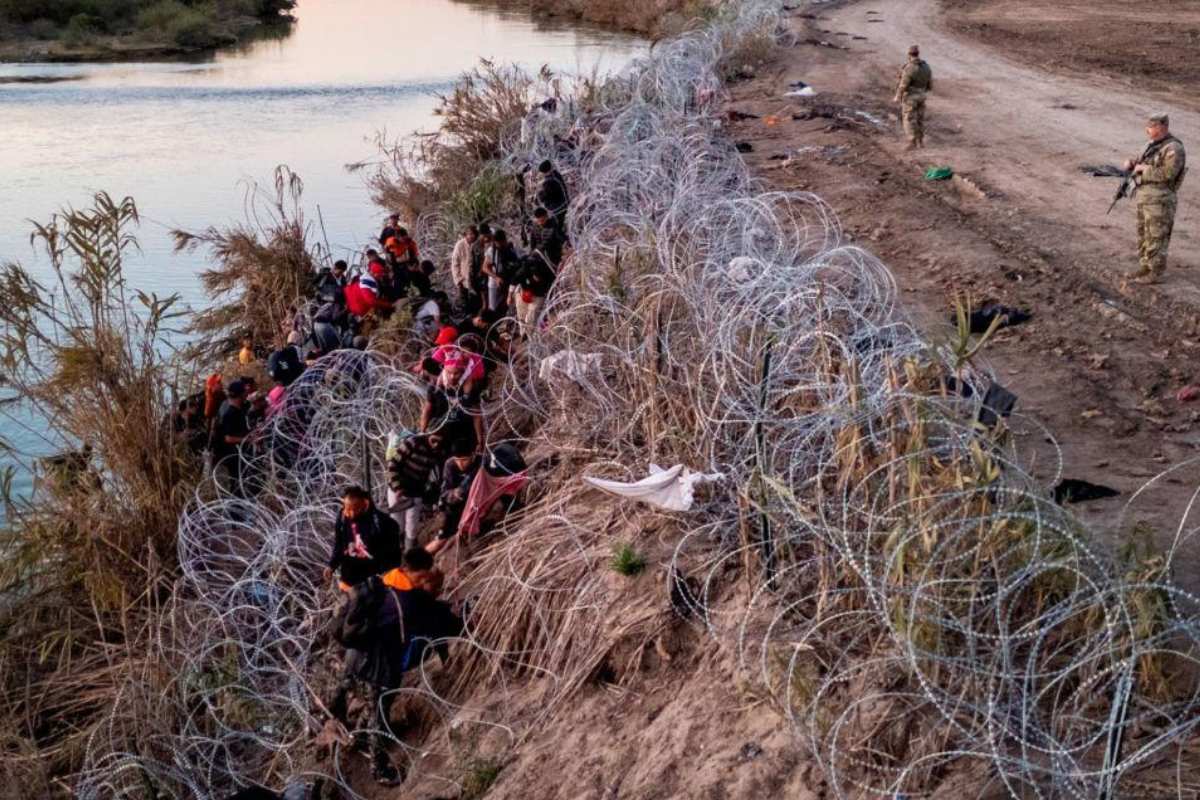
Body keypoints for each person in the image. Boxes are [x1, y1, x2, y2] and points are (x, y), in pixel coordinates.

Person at [1122, 113, 1187, 285]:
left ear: (1162, 127)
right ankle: (1145, 267)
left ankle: (1155, 272)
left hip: (1161, 200)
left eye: (1151, 127)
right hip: (1145, 197)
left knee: (1157, 236)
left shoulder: (1174, 148)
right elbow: (1142, 163)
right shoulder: (1151, 144)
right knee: (1144, 234)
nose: (1147, 130)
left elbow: (1169, 174)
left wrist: (1144, 169)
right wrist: (1132, 163)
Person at [324, 485, 404, 591]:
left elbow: (393, 554)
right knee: (350, 600)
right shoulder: (343, 517)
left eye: (353, 509)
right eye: (346, 508)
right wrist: (332, 565)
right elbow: (339, 544)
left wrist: (387, 573)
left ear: (363, 504)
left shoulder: (382, 523)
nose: (349, 513)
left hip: (374, 575)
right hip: (350, 575)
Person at [386, 432, 445, 550]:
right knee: (397, 524)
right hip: (398, 489)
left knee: (412, 527)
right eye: (434, 440)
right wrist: (397, 487)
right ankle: (396, 551)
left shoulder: (439, 451)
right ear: (428, 435)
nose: (436, 444)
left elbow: (439, 474)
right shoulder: (413, 443)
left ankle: (409, 552)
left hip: (416, 492)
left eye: (439, 442)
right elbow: (392, 465)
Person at [427, 439, 482, 555]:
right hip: (456, 507)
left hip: (477, 505)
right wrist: (455, 494)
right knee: (439, 541)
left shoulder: (481, 462)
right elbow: (444, 492)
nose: (460, 464)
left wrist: (461, 490)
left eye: (464, 460)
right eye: (457, 460)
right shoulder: (450, 464)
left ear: (473, 455)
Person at [420, 361, 484, 448]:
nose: (452, 376)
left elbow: (476, 415)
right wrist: (422, 432)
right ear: (444, 371)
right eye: (449, 373)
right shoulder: (435, 388)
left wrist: (479, 440)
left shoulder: (470, 388)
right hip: (441, 431)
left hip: (464, 433)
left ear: (463, 373)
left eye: (456, 373)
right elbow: (427, 410)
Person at [211, 379, 250, 495]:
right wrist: (249, 439)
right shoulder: (230, 413)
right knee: (236, 486)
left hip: (237, 455)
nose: (247, 393)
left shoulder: (236, 409)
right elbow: (228, 438)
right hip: (231, 457)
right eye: (244, 391)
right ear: (240, 394)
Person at [893, 45, 932, 150]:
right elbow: (930, 85)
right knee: (920, 119)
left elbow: (903, 85)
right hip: (922, 95)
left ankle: (912, 142)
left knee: (909, 119)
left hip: (910, 97)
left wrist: (897, 96)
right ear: (918, 53)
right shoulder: (926, 66)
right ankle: (920, 142)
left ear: (909, 54)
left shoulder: (909, 67)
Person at [512, 253, 556, 338]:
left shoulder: (546, 272)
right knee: (521, 315)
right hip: (525, 292)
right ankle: (523, 333)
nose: (537, 278)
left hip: (539, 294)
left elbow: (552, 285)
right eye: (535, 276)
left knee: (531, 315)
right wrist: (509, 296)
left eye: (538, 276)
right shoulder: (523, 270)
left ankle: (529, 336)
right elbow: (514, 281)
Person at [482, 229, 517, 313]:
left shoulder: (511, 248)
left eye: (501, 243)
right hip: (494, 283)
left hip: (509, 281)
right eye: (497, 243)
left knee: (508, 305)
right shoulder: (491, 251)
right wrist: (496, 278)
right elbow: (484, 267)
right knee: (493, 308)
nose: (499, 245)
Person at [450, 226, 479, 312]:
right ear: (466, 235)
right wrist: (458, 279)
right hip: (463, 280)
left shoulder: (477, 244)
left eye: (473, 234)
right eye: (469, 234)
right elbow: (455, 263)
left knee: (475, 302)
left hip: (475, 279)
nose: (471, 236)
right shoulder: (460, 245)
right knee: (464, 302)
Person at [537, 160, 569, 231]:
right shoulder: (556, 175)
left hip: (559, 207)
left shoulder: (549, 182)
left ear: (543, 172)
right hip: (564, 203)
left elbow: (547, 196)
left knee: (556, 226)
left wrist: (540, 195)